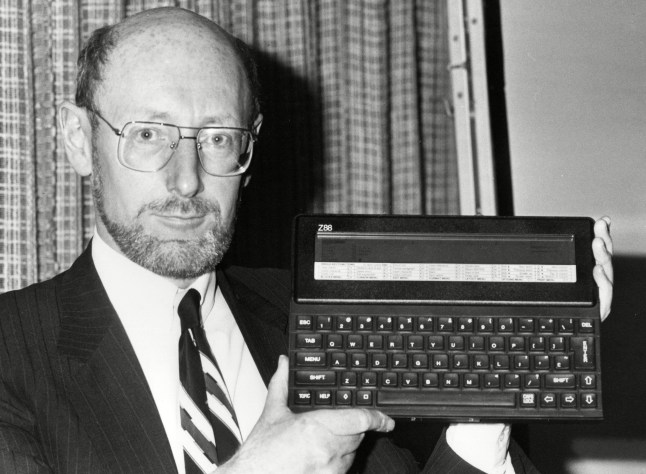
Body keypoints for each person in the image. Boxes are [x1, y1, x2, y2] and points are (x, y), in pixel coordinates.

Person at [0, 7, 614, 474]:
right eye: (148, 134)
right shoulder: (10, 353)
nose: (186, 179)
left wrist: (483, 398)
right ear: (79, 139)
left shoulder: (334, 320)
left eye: (217, 138)